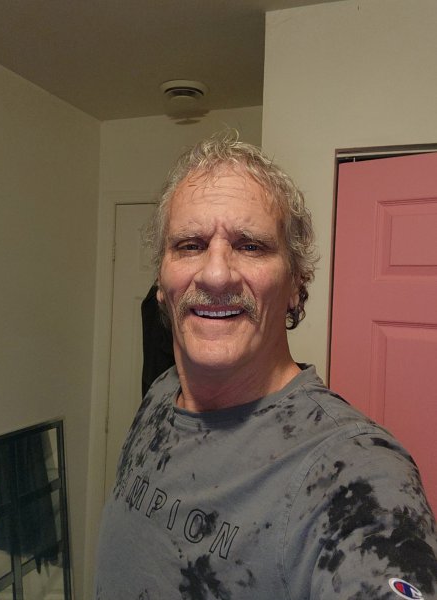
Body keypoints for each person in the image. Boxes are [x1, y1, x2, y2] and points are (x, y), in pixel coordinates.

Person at [94, 132, 437, 600]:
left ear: (296, 283)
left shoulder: (355, 474)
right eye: (190, 245)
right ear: (161, 282)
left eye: (251, 246)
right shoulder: (160, 394)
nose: (216, 274)